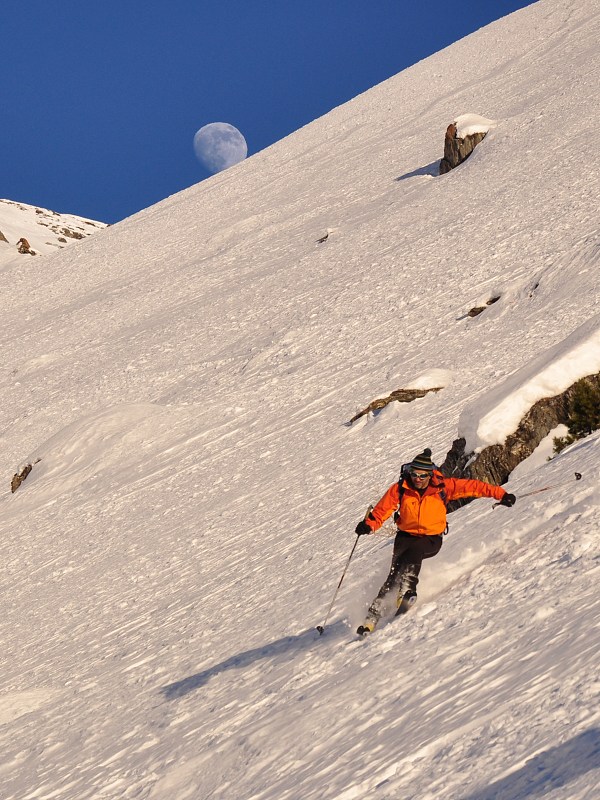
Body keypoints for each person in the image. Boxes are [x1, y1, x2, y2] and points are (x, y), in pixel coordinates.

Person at [354, 448, 516, 635]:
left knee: (413, 556)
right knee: (394, 573)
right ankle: (372, 617)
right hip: (405, 536)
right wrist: (368, 525)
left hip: (431, 538)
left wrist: (501, 495)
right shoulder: (400, 488)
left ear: (430, 475)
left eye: (422, 476)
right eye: (414, 474)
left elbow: (474, 486)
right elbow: (383, 510)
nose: (418, 479)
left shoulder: (443, 487)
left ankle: (407, 590)